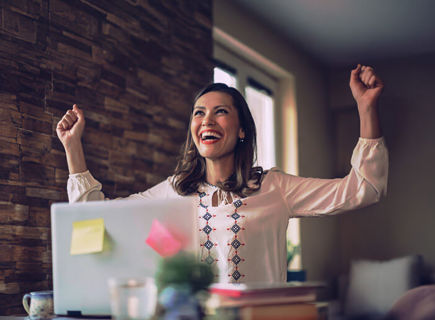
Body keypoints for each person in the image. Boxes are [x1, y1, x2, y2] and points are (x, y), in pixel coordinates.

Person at [56, 64, 388, 283]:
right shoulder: (174, 191)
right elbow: (96, 216)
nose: (207, 121)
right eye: (199, 113)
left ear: (242, 130)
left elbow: (364, 188)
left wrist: (366, 108)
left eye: (221, 112)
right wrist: (73, 148)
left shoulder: (274, 187)